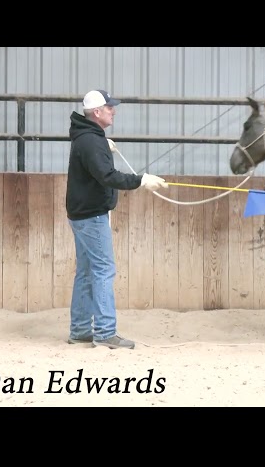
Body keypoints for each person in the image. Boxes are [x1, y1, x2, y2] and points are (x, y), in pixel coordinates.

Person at [66, 89, 168, 349]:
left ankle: (79, 330)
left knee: (88, 272)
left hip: (82, 214)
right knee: (103, 270)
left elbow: (100, 168)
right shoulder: (91, 141)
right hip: (92, 215)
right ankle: (104, 332)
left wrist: (102, 146)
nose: (114, 111)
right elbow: (107, 176)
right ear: (97, 112)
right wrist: (140, 180)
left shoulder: (87, 137)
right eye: (110, 107)